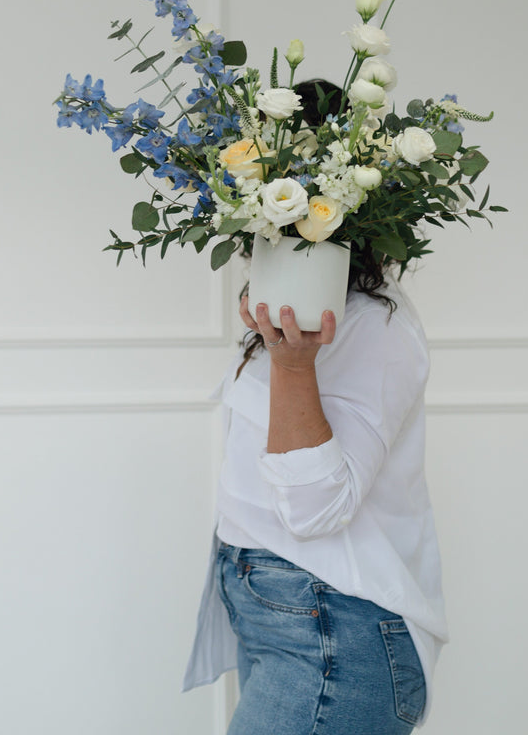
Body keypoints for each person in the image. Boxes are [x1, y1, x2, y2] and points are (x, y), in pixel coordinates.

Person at [182, 78, 448, 733]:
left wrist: (292, 364)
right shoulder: (286, 304)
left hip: (331, 627)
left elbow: (314, 508)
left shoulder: (373, 329)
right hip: (284, 614)